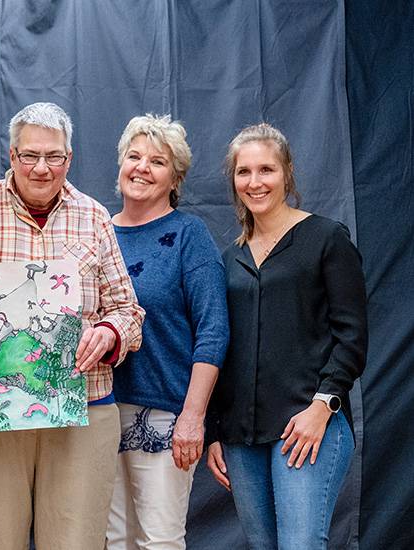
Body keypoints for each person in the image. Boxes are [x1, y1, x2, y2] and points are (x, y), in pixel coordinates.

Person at [0, 102, 145, 550]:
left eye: (54, 157)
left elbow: (128, 311)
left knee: (75, 541)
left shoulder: (94, 216)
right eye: (30, 155)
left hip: (81, 406)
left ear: (70, 158)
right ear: (12, 155)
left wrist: (109, 333)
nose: (41, 168)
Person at [205, 123, 367, 549]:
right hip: (241, 436)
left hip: (307, 424)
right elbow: (225, 348)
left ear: (287, 174)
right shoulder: (231, 258)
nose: (255, 182)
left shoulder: (326, 238)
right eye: (244, 172)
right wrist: (215, 432)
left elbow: (352, 335)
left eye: (266, 169)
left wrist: (322, 406)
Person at [106, 115, 228, 550]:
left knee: (158, 539)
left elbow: (213, 330)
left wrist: (193, 416)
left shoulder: (188, 235)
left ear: (175, 177)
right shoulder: (96, 231)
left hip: (163, 413)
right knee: (110, 539)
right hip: (95, 410)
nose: (141, 168)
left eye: (157, 161)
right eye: (133, 157)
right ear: (119, 164)